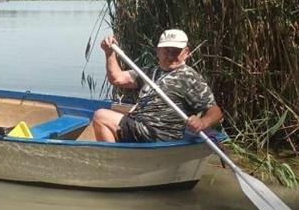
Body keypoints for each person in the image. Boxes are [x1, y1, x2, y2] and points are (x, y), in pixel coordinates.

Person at [91, 29, 223, 142]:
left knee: (101, 116)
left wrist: (202, 123)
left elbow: (215, 112)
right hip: (139, 127)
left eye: (176, 51)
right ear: (158, 51)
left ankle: (111, 159)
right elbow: (117, 79)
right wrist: (109, 53)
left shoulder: (188, 77)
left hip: (158, 133)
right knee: (111, 114)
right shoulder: (150, 72)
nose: (170, 56)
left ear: (186, 52)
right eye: (166, 50)